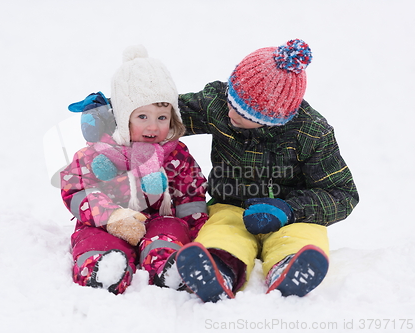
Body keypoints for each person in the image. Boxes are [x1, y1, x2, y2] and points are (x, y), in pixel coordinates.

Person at [174, 39, 359, 302]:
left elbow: (342, 193)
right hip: (231, 204)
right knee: (222, 229)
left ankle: (290, 266)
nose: (231, 111)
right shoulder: (219, 103)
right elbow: (167, 115)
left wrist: (289, 209)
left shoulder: (311, 133)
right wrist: (115, 112)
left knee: (304, 233)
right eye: (231, 100)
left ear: (272, 119)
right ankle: (218, 267)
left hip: (289, 214)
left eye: (243, 112)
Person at [60, 45, 208, 295]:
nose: (153, 126)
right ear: (123, 116)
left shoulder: (175, 153)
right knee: (94, 238)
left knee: (170, 231)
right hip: (107, 220)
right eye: (142, 117)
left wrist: (199, 230)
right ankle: (103, 265)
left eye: (162, 117)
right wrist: (110, 216)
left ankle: (168, 266)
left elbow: (190, 193)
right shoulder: (100, 152)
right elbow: (74, 188)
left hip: (160, 218)